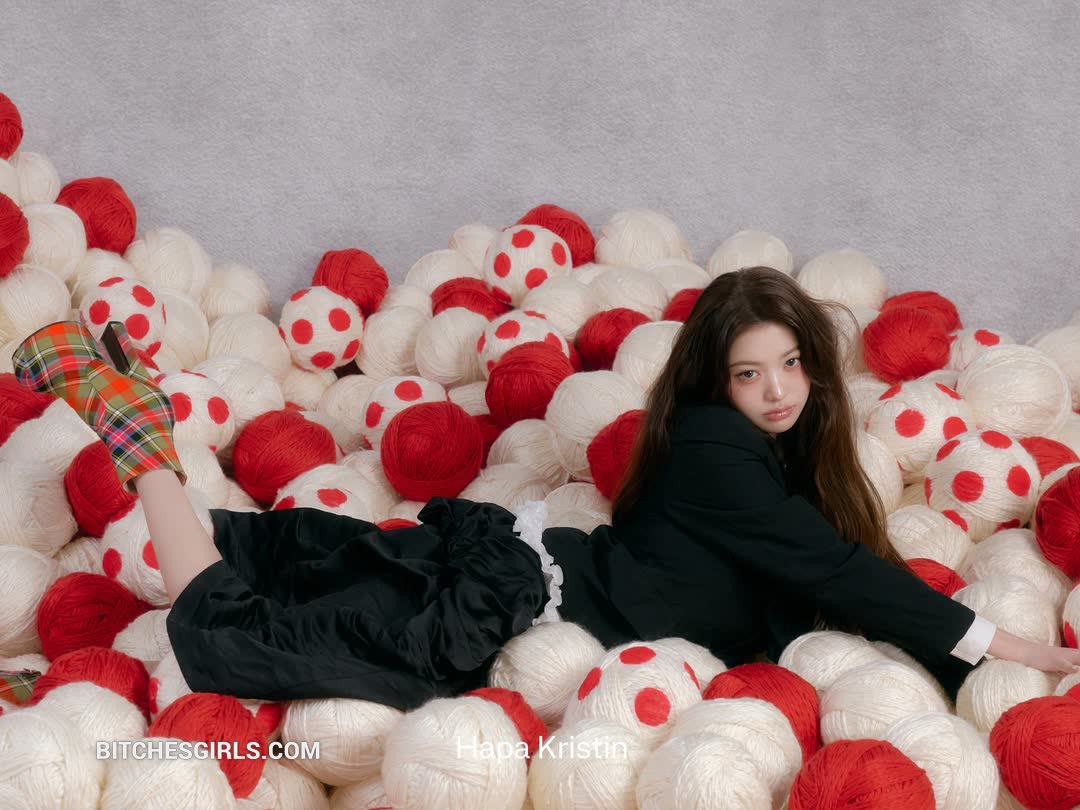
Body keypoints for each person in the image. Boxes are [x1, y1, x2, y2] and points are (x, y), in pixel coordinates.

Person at [13, 267, 1080, 710]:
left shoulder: (751, 454)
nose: (778, 391)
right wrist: (1013, 648)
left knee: (283, 567)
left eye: (792, 366)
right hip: (507, 602)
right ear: (715, 380)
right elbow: (835, 568)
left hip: (519, 578)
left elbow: (816, 569)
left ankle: (127, 422)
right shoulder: (718, 448)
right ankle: (141, 438)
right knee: (246, 642)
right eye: (750, 372)